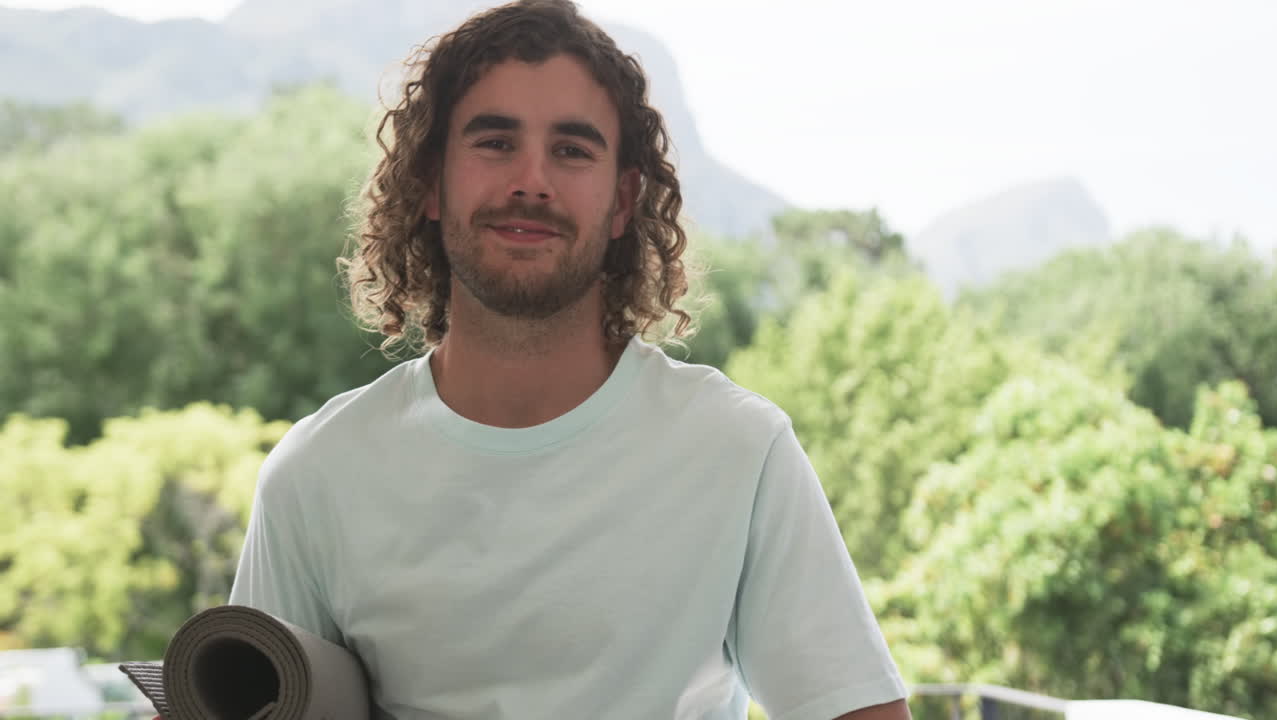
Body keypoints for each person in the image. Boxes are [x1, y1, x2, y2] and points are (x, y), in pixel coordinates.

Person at [228, 1, 912, 718]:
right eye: (495, 143)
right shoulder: (316, 475)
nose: (532, 181)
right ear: (431, 182)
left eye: (572, 150)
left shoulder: (737, 451)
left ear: (622, 202)